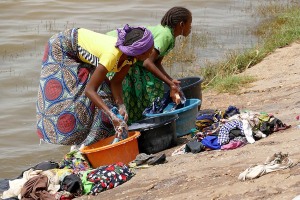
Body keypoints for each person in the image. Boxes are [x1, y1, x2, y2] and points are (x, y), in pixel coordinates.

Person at [36, 24, 154, 146]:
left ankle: (93, 143)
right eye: (149, 50)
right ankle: (78, 143)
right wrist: (111, 115)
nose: (151, 53)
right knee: (79, 98)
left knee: (106, 96)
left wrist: (121, 106)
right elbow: (90, 90)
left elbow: (116, 82)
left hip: (81, 53)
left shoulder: (130, 57)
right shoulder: (112, 56)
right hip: (62, 47)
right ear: (139, 52)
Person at [107, 6, 192, 124]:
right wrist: (169, 84)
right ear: (182, 24)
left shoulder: (170, 36)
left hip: (130, 58)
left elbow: (156, 63)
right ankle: (131, 119)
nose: (191, 27)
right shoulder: (165, 35)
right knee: (148, 88)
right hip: (117, 50)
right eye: (190, 23)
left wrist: (171, 81)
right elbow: (148, 63)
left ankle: (136, 119)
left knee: (153, 85)